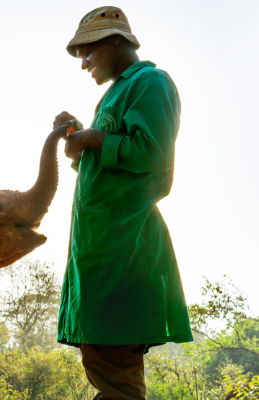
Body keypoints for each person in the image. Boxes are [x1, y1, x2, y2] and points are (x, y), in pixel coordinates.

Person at [54, 6, 193, 400]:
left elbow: (152, 155)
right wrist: (81, 138)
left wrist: (94, 140)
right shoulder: (114, 95)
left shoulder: (151, 82)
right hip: (98, 251)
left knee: (115, 370)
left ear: (115, 40)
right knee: (103, 358)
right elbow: (106, 174)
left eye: (88, 51)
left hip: (124, 250)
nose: (83, 63)